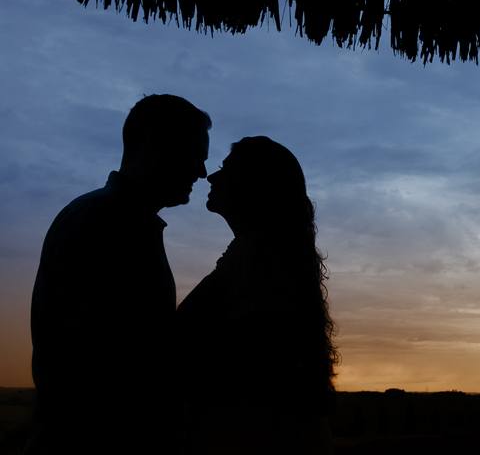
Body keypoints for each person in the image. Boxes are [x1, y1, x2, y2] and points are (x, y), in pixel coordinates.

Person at [26, 94, 211, 455]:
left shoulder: (123, 220)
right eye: (195, 156)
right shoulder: (105, 220)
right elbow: (102, 361)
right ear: (156, 142)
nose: (201, 172)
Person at [177, 136, 337, 455]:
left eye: (225, 168)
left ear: (253, 184)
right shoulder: (261, 253)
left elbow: (261, 359)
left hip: (247, 435)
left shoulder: (257, 253)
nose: (212, 176)